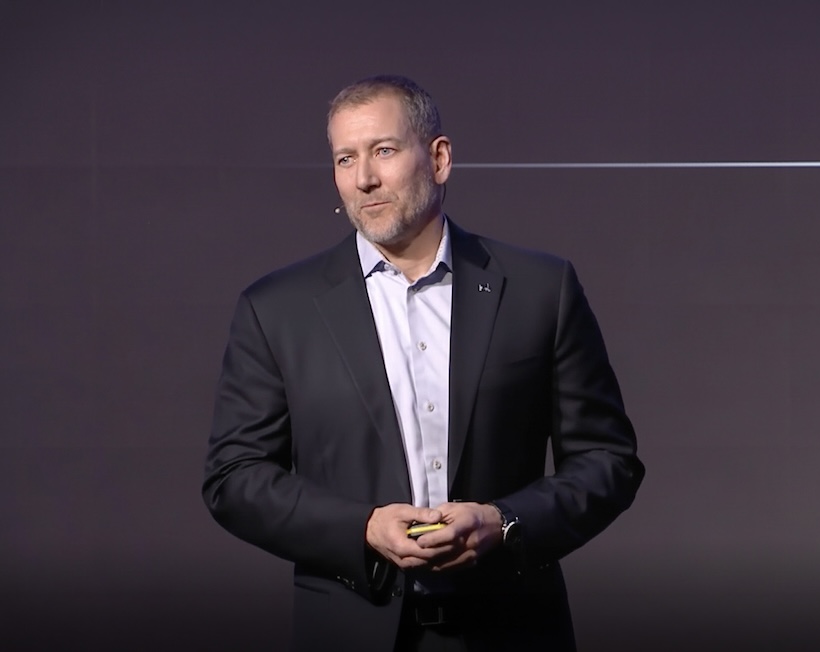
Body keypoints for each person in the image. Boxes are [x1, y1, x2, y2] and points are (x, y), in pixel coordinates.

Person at [202, 74, 644, 652]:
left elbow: (607, 461)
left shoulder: (540, 289)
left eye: (383, 150)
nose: (364, 178)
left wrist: (504, 522)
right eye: (345, 158)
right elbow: (235, 477)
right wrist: (362, 528)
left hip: (509, 631)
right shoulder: (277, 309)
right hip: (351, 628)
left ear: (438, 159)